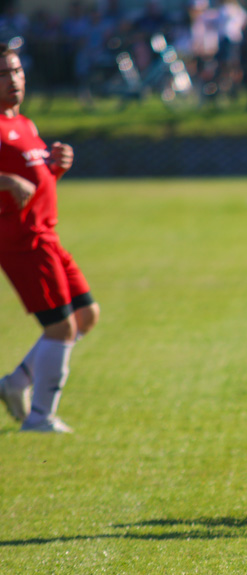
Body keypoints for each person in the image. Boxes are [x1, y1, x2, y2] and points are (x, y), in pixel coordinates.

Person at [0, 44, 99, 433]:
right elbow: (12, 183)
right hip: (22, 241)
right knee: (61, 328)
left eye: (18, 71)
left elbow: (33, 183)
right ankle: (40, 417)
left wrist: (55, 165)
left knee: (86, 316)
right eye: (5, 74)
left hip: (47, 235)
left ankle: (15, 383)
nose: (14, 80)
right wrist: (5, 180)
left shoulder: (23, 124)